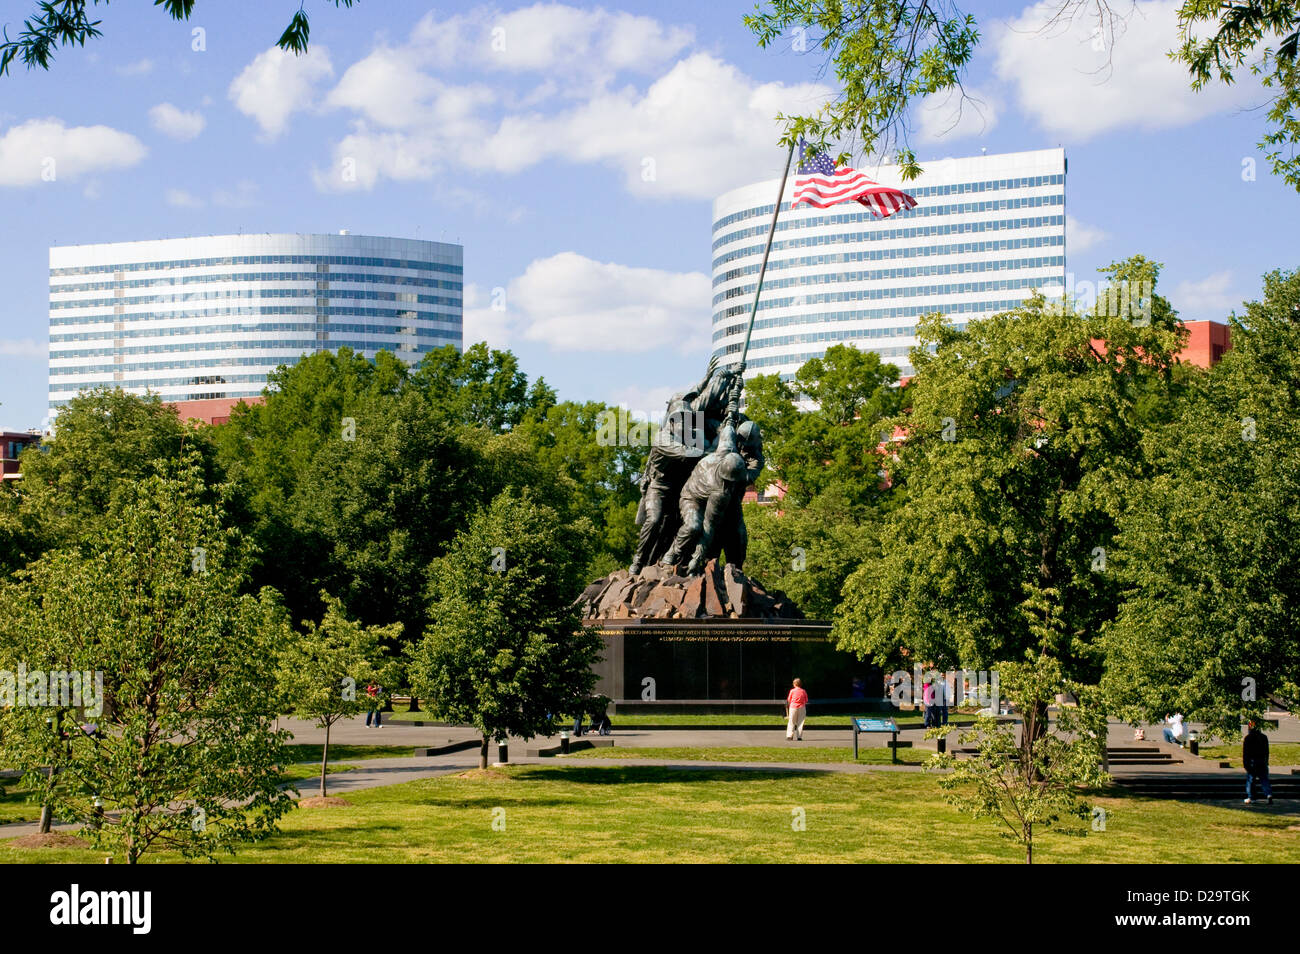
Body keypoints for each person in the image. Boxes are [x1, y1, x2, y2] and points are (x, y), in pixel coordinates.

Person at [1243, 721, 1273, 805]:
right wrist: (1266, 761)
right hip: (1262, 761)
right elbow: (1267, 751)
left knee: (1251, 780)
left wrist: (1245, 763)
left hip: (1252, 761)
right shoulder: (1264, 737)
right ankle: (1268, 794)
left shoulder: (1248, 738)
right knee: (1264, 779)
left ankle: (1251, 797)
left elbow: (1245, 752)